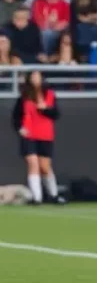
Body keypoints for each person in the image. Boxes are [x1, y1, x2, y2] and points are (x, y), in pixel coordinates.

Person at [12, 70, 63, 204]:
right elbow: (16, 117)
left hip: (45, 134)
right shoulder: (24, 97)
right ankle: (37, 197)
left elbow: (56, 114)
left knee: (45, 166)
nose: (36, 79)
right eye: (33, 77)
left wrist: (45, 109)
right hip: (29, 134)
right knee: (33, 163)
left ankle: (53, 194)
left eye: (38, 77)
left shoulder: (50, 95)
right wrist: (20, 129)